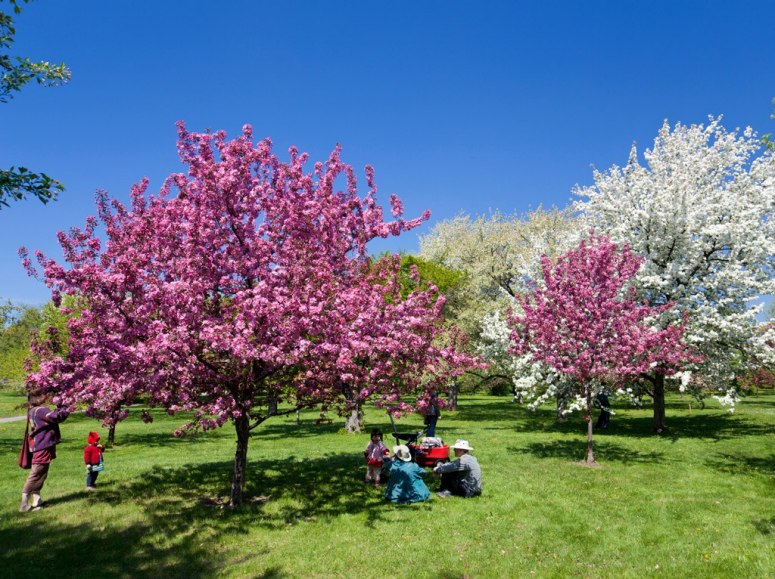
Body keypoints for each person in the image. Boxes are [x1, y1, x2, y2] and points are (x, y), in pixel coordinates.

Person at [20, 390, 70, 512]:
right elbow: (57, 417)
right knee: (37, 472)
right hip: (42, 445)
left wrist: (59, 407)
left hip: (38, 445)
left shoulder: (32, 410)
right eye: (43, 394)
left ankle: (37, 501)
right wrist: (65, 407)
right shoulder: (41, 410)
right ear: (37, 398)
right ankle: (24, 504)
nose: (47, 396)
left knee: (41, 472)